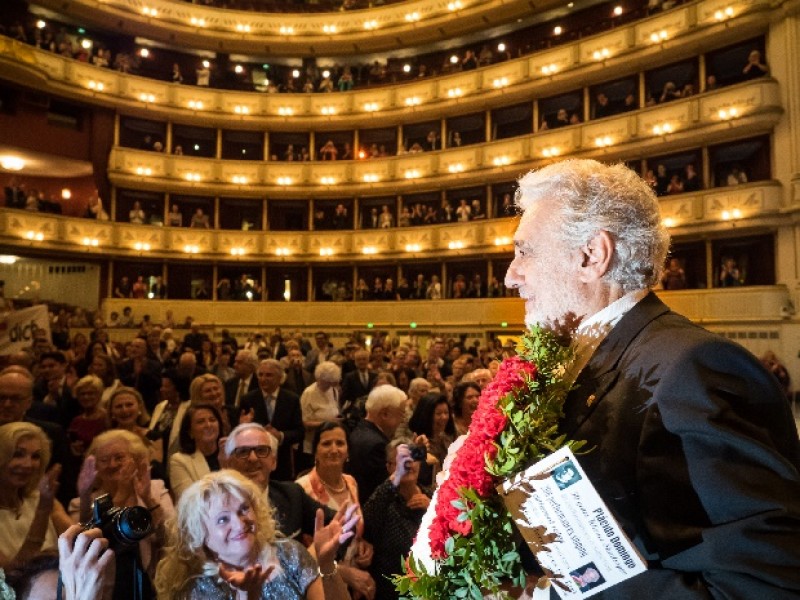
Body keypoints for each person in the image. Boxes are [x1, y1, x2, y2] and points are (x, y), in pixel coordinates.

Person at [500, 158, 800, 597]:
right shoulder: (580, 361)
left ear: (591, 256)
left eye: (524, 251)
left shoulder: (694, 368)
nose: (511, 276)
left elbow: (766, 584)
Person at [154, 469, 355, 599]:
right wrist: (249, 594)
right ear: (200, 534)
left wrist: (326, 562)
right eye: (223, 519)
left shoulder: (289, 553)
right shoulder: (196, 588)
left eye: (243, 509)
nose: (240, 523)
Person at [71, 429, 174, 586]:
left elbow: (171, 538)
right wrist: (122, 493)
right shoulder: (82, 503)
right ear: (95, 466)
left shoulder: (156, 489)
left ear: (136, 460)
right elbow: (93, 548)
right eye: (104, 460)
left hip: (154, 583)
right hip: (107, 586)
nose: (112, 465)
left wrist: (147, 498)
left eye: (119, 457)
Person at [296, 421, 376, 599]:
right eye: (326, 443)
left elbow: (354, 528)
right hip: (319, 585)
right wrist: (343, 572)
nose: (334, 449)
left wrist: (362, 543)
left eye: (340, 443)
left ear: (348, 451)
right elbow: (299, 557)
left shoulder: (351, 482)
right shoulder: (300, 489)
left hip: (355, 583)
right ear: (315, 451)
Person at [363, 440, 431, 600]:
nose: (408, 464)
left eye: (413, 458)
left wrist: (431, 510)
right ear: (389, 467)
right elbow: (367, 519)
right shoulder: (384, 500)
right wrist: (396, 478)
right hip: (393, 591)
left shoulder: (432, 497)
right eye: (401, 460)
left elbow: (451, 536)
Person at [0, 422, 71, 570]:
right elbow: (14, 574)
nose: (28, 464)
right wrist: (42, 511)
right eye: (18, 454)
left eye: (35, 456)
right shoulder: (44, 501)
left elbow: (78, 542)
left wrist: (84, 497)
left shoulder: (38, 497)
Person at [239, 359, 304, 481]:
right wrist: (243, 426)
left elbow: (300, 432)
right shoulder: (248, 399)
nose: (263, 379)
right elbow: (239, 433)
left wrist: (280, 436)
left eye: (269, 375)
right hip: (255, 462)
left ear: (280, 378)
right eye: (261, 375)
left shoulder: (292, 399)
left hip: (282, 463)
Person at [347, 384, 408, 503]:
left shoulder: (360, 430)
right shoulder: (377, 446)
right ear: (384, 414)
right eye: (401, 414)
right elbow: (386, 490)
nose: (403, 420)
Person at [169, 403, 223, 500]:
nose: (208, 425)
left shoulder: (232, 453)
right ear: (190, 432)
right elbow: (190, 501)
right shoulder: (179, 461)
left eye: (212, 420)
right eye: (201, 422)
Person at [299, 362, 342, 472]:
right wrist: (328, 423)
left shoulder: (334, 391)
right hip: (313, 444)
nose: (331, 384)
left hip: (331, 440)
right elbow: (304, 423)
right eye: (329, 382)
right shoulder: (309, 393)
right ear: (320, 379)